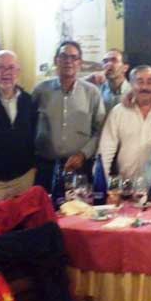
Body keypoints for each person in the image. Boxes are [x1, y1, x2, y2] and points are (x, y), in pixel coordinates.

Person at [32, 41, 105, 192]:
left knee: (79, 211)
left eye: (74, 57)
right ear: (55, 60)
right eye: (63, 56)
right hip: (46, 167)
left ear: (80, 63)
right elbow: (28, 126)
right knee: (47, 212)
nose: (68, 61)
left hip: (80, 167)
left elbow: (99, 131)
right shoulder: (40, 90)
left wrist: (83, 154)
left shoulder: (92, 93)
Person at [0, 50, 37, 200]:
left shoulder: (28, 100)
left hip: (22, 181)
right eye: (0, 67)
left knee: (23, 222)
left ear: (18, 71)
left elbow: (33, 136)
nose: (6, 72)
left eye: (11, 67)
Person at [84, 48, 131, 114]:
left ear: (125, 68)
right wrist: (87, 79)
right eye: (105, 61)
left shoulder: (133, 92)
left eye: (114, 60)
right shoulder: (96, 90)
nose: (109, 64)